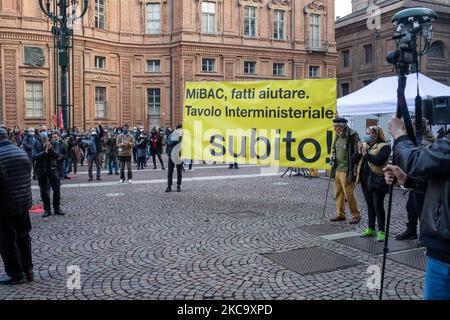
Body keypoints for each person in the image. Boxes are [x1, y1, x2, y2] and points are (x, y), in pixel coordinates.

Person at [385, 117, 450, 300]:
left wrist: (399, 135)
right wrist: (408, 179)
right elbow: (442, 177)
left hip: (445, 253)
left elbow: (417, 161)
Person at [0, 128, 34, 285]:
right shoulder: (19, 151)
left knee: (7, 240)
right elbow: (28, 174)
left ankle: (15, 273)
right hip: (23, 202)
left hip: (6, 205)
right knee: (23, 236)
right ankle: (28, 269)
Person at [396, 119, 435, 241]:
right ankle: (411, 231)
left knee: (421, 211)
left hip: (422, 184)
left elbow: (417, 162)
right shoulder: (418, 141)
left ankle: (426, 237)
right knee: (411, 208)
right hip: (415, 182)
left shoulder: (424, 142)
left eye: (411, 127)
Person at [355, 126, 391, 242]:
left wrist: (366, 155)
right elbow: (354, 159)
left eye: (368, 133)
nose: (366, 135)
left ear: (376, 135)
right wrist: (359, 151)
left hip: (377, 180)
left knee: (378, 205)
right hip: (365, 180)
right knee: (370, 205)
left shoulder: (384, 146)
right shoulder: (366, 145)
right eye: (366, 133)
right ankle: (371, 228)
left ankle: (381, 231)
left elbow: (379, 161)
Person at [329, 118, 361, 224]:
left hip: (347, 169)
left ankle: (356, 215)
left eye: (336, 127)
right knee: (338, 193)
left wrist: (354, 169)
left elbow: (357, 153)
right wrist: (333, 157)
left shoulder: (352, 135)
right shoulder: (338, 135)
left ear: (342, 126)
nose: (334, 129)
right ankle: (340, 214)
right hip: (338, 168)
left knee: (349, 193)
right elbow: (334, 149)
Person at [32, 126, 64, 217]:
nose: (43, 132)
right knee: (44, 191)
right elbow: (34, 156)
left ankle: (57, 208)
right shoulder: (35, 143)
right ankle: (47, 209)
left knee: (56, 189)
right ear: (38, 132)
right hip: (41, 170)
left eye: (44, 130)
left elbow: (57, 155)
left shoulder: (54, 142)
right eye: (41, 131)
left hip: (52, 169)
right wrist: (44, 152)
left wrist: (50, 149)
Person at [166, 124, 183, 192]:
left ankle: (178, 185)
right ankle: (169, 186)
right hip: (172, 156)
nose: (180, 131)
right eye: (179, 129)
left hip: (179, 156)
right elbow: (169, 143)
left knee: (179, 172)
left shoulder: (183, 136)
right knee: (170, 172)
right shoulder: (171, 135)